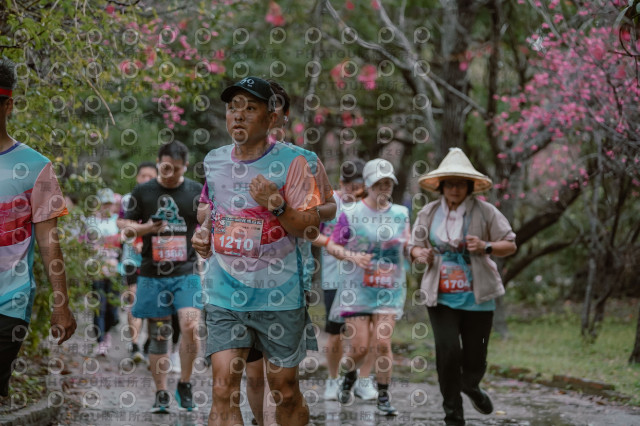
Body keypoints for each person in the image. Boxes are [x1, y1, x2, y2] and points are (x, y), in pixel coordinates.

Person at [192, 76, 321, 426]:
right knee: (223, 388)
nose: (239, 115)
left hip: (280, 294)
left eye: (250, 108)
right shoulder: (214, 161)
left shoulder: (295, 162)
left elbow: (310, 226)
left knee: (285, 390)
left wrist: (276, 204)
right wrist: (202, 235)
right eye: (233, 108)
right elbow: (212, 212)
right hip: (224, 292)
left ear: (272, 117)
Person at [409, 147, 517, 426]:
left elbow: (510, 244)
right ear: (441, 186)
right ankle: (453, 416)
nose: (455, 189)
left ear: (469, 186)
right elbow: (414, 246)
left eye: (460, 184)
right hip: (441, 297)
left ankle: (471, 387)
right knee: (447, 354)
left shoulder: (486, 212)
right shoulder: (429, 212)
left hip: (478, 297)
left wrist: (486, 246)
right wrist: (420, 254)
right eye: (450, 184)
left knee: (475, 358)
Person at [0, 57, 76, 396]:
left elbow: (48, 241)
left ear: (9, 105)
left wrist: (61, 304)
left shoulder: (37, 167)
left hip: (9, 302)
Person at [118, 140, 203, 413]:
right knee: (159, 334)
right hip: (152, 273)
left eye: (176, 169)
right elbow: (124, 226)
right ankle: (161, 393)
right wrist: (147, 228)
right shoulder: (143, 191)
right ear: (158, 163)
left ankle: (185, 383)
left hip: (186, 270)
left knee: (190, 325)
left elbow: (209, 223)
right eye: (166, 167)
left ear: (185, 167)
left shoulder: (195, 191)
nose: (170, 174)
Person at [330, 158, 410, 416]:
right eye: (378, 183)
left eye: (388, 183)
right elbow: (333, 245)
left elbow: (407, 245)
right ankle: (348, 376)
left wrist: (417, 252)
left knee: (383, 343)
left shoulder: (401, 214)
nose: (384, 188)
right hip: (357, 289)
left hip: (389, 288)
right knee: (360, 347)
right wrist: (353, 257)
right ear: (367, 184)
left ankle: (384, 396)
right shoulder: (351, 213)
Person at [311, 159, 377, 401]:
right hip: (334, 276)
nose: (355, 191)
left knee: (369, 331)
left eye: (360, 186)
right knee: (336, 332)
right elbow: (311, 233)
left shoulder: (370, 205)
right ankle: (333, 378)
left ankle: (363, 379)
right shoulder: (330, 203)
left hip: (365, 277)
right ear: (341, 182)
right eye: (351, 186)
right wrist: (334, 243)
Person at [118, 162, 157, 363]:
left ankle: (149, 343)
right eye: (143, 175)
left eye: (151, 176)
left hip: (156, 260)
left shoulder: (163, 200)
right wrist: (136, 237)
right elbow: (120, 222)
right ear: (137, 177)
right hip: (132, 260)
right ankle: (134, 345)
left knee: (152, 304)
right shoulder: (128, 199)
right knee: (134, 298)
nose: (146, 179)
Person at [85, 188, 121, 356]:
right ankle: (100, 341)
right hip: (97, 270)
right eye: (104, 203)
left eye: (109, 204)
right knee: (99, 306)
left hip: (114, 271)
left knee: (113, 311)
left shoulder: (117, 222)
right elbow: (85, 245)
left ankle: (106, 333)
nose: (107, 207)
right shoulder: (90, 222)